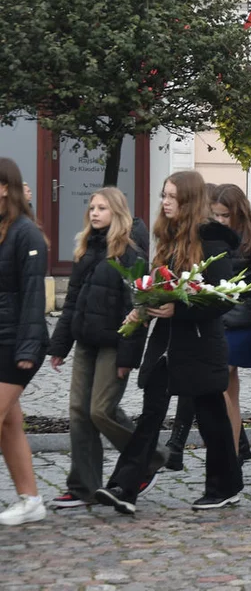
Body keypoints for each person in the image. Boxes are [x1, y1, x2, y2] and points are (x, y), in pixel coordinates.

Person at [96, 171, 243, 513]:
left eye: (172, 197)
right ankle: (124, 486)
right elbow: (159, 287)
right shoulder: (168, 237)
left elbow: (223, 298)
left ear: (189, 201)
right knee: (151, 414)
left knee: (212, 419)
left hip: (200, 345)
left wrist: (179, 308)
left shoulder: (213, 242)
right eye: (164, 195)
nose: (165, 202)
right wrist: (143, 308)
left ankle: (226, 485)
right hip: (165, 345)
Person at [47, 187, 160, 509]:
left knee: (100, 410)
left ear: (117, 212)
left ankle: (149, 456)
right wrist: (60, 345)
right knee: (79, 414)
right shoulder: (86, 249)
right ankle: (83, 486)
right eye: (92, 207)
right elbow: (72, 302)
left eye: (102, 208)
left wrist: (127, 356)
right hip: (85, 342)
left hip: (115, 343)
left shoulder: (131, 253)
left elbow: (139, 309)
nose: (95, 213)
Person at [0, 159, 49, 525]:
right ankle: (30, 500)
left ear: (4, 187)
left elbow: (34, 295)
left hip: (15, 343)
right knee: (9, 424)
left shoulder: (26, 234)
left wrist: (30, 347)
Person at [212, 185, 251, 456]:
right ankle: (235, 448)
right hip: (217, 313)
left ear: (238, 211)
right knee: (228, 385)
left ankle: (230, 449)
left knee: (222, 377)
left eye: (225, 215)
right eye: (216, 215)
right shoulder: (212, 233)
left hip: (243, 316)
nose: (220, 220)